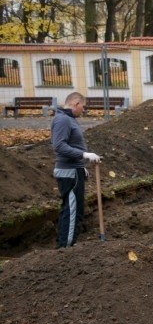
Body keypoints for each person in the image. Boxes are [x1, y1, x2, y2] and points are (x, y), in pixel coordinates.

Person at [51, 92, 101, 248]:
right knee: (72, 211)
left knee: (73, 209)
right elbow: (59, 146)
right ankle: (66, 247)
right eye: (83, 106)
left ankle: (66, 244)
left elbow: (71, 144)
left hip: (75, 169)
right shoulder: (63, 120)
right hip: (69, 172)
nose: (83, 110)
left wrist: (81, 165)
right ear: (75, 103)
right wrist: (84, 155)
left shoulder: (68, 119)